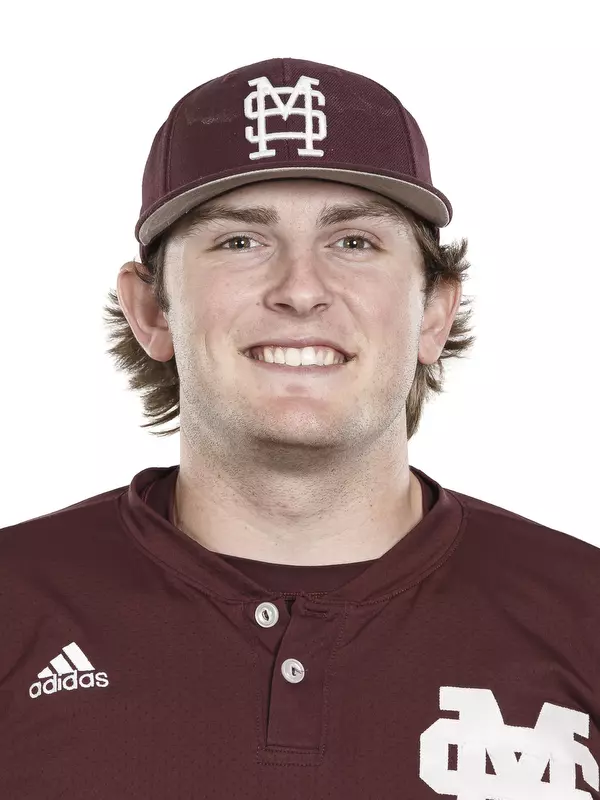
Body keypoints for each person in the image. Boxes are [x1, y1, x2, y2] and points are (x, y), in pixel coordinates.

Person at [1, 57, 599, 799]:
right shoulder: (14, 604)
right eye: (240, 242)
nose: (301, 290)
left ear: (435, 311)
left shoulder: (585, 616)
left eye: (354, 242)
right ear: (152, 310)